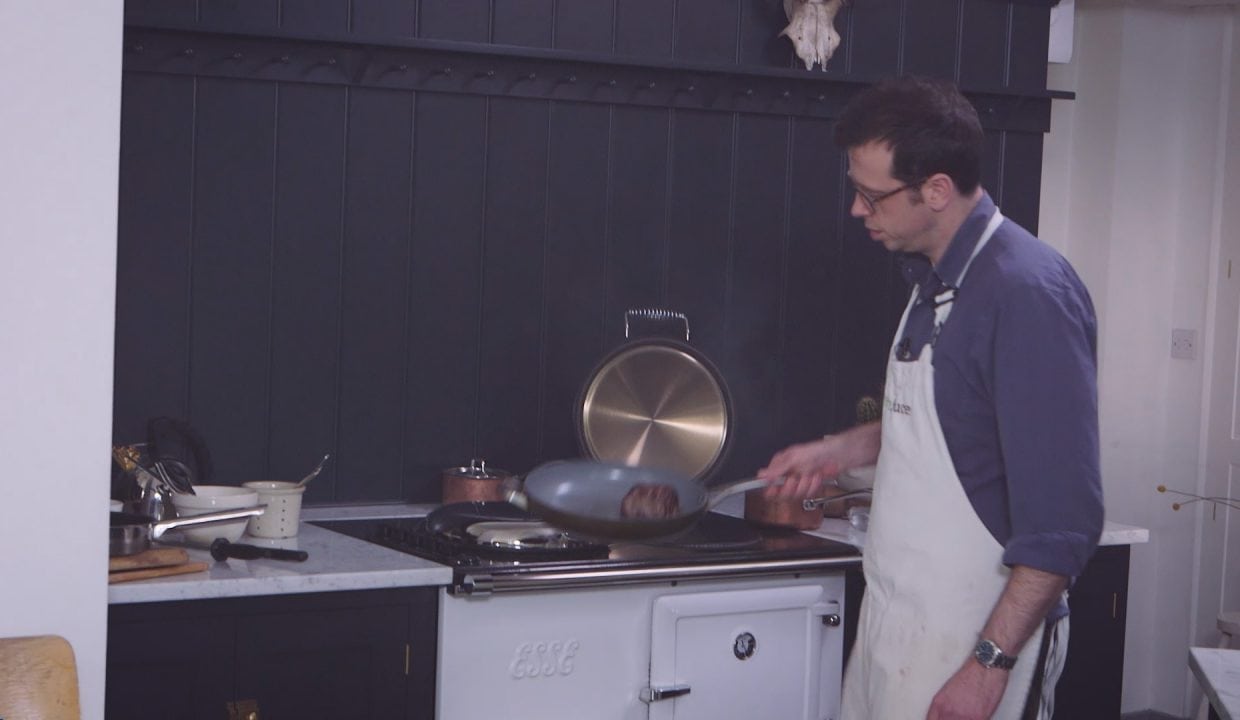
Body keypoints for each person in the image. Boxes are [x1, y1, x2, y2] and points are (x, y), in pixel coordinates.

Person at [758, 75, 1104, 720]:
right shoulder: (936, 278)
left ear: (936, 190)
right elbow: (954, 426)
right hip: (901, 623)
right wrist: (839, 447)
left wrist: (987, 667)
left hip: (974, 642)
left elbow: (1063, 524)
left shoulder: (1026, 293)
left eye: (873, 195)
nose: (859, 210)